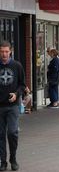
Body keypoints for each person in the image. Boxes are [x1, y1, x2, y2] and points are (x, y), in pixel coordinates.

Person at [0, 41, 25, 171]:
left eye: (6, 51)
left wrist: (16, 94)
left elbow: (22, 85)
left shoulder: (17, 66)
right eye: (2, 51)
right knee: (1, 134)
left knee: (12, 132)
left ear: (10, 51)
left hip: (13, 106)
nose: (4, 54)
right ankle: (3, 161)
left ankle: (13, 158)